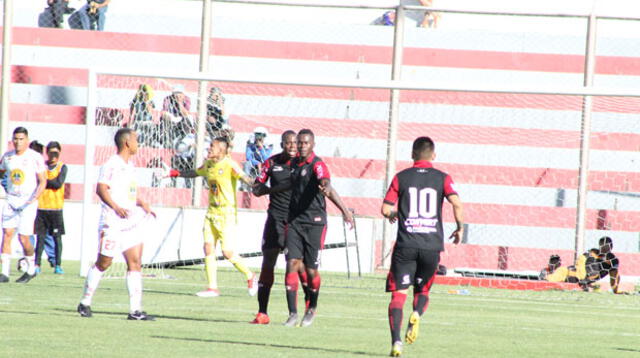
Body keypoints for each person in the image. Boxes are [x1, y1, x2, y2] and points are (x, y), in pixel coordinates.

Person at [381, 136, 464, 357]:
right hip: (431, 246)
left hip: (406, 245)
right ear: (433, 155)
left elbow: (385, 209)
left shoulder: (401, 177)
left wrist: (398, 213)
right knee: (423, 290)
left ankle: (396, 342)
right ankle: (417, 312)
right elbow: (456, 203)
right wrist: (460, 228)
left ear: (412, 155)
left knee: (398, 295)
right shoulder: (443, 178)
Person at [77, 128, 156, 320]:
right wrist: (116, 207)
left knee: (135, 262)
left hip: (130, 222)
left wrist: (141, 202)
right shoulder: (111, 164)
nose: (138, 143)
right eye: (136, 139)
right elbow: (101, 189)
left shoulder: (131, 166)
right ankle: (85, 302)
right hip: (112, 221)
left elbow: (127, 192)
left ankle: (135, 310)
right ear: (127, 142)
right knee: (104, 262)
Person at [168, 137, 258, 297]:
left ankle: (250, 276)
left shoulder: (230, 164)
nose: (209, 149)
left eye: (213, 146)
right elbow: (195, 172)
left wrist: (257, 184)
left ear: (222, 150)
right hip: (211, 212)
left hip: (226, 213)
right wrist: (175, 173)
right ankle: (212, 287)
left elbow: (244, 177)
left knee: (227, 252)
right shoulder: (209, 164)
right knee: (208, 248)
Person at [283, 129, 354, 327]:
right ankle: (292, 314)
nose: (302, 146)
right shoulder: (294, 163)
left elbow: (326, 183)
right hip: (295, 221)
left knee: (312, 270)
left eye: (306, 143)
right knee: (292, 264)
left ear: (313, 144)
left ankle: (311, 308)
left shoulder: (318, 164)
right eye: (300, 143)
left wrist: (344, 210)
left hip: (315, 223)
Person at [250, 130, 309, 325]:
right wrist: (258, 188)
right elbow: (258, 185)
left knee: (296, 265)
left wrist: (269, 189)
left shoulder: (302, 165)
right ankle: (262, 312)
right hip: (275, 218)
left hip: (295, 220)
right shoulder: (272, 163)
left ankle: (303, 308)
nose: (292, 146)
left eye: (295, 143)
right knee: (268, 262)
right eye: (288, 143)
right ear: (282, 144)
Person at [0, 127, 47, 284]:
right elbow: (1, 173)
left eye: (21, 139)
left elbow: (42, 181)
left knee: (24, 238)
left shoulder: (35, 157)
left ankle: (31, 268)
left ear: (27, 140)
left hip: (28, 202)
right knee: (7, 233)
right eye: (15, 139)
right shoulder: (7, 157)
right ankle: (4, 273)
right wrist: (5, 187)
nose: (17, 142)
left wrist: (34, 199)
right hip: (11, 200)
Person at [35, 141, 68, 275]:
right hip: (41, 207)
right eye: (51, 152)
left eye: (56, 153)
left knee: (57, 238)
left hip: (56, 209)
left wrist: (44, 182)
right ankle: (37, 264)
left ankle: (58, 265)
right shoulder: (41, 166)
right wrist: (44, 182)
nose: (53, 156)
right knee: (40, 238)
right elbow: (37, 180)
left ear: (59, 153)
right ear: (47, 153)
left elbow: (58, 183)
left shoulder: (62, 167)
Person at [161, 84, 193, 149]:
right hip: (171, 119)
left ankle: (183, 142)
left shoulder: (187, 99)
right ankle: (167, 142)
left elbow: (186, 114)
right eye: (175, 93)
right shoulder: (167, 99)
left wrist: (180, 103)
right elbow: (164, 112)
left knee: (187, 121)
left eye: (179, 93)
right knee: (164, 121)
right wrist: (171, 118)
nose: (177, 95)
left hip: (182, 120)